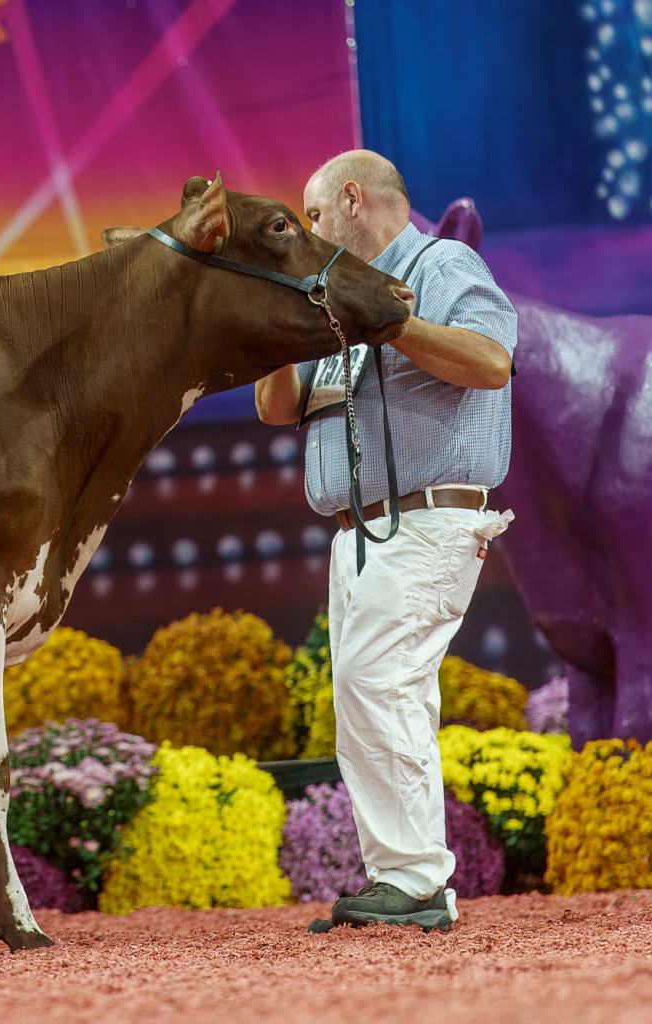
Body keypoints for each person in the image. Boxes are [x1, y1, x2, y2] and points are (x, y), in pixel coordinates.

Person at [255, 149, 517, 931]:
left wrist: (393, 323)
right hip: (362, 531)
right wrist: (274, 329)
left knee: (380, 684)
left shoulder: (441, 264)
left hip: (425, 517)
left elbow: (492, 361)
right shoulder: (336, 300)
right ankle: (401, 878)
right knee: (369, 692)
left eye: (313, 214)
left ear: (352, 198)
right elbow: (278, 408)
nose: (310, 230)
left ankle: (416, 883)